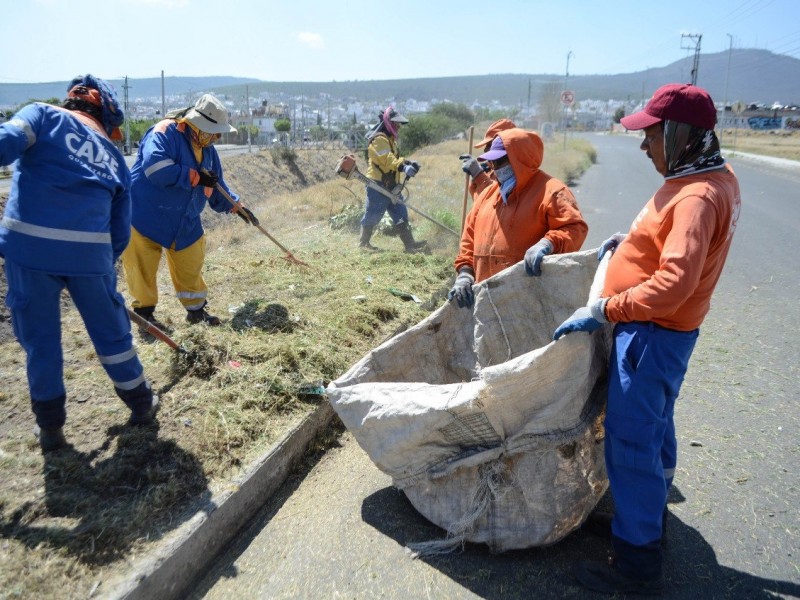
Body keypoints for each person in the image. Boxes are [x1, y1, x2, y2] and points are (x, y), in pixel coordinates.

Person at [553, 83, 741, 595]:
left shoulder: (698, 195)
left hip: (652, 334)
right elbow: (671, 244)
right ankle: (648, 518)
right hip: (664, 334)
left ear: (680, 135)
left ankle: (635, 563)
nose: (643, 146)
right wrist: (631, 242)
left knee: (631, 441)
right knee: (654, 427)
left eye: (651, 135)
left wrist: (605, 308)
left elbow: (675, 283)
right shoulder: (706, 175)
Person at [0, 74, 158, 452]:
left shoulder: (40, 114)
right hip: (90, 253)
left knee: (41, 341)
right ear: (105, 119)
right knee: (111, 331)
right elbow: (120, 231)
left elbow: (5, 143)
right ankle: (139, 402)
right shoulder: (114, 157)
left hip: (28, 248)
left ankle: (51, 428)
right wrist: (102, 267)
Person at [121, 93, 258, 328]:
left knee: (191, 263)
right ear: (196, 124)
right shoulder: (164, 133)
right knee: (141, 267)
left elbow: (216, 187)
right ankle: (145, 315)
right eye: (213, 131)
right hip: (145, 214)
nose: (216, 136)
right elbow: (155, 168)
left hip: (184, 219)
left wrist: (237, 206)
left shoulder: (209, 151)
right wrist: (193, 176)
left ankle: (196, 312)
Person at [448, 127, 588, 308]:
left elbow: (574, 228)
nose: (494, 168)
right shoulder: (487, 195)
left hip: (531, 300)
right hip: (486, 300)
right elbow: (468, 241)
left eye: (499, 162)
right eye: (492, 163)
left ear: (519, 159)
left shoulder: (551, 192)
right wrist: (465, 274)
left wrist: (547, 244)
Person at [358, 106, 427, 253]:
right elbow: (387, 160)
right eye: (396, 123)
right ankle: (363, 244)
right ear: (389, 123)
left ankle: (410, 245)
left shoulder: (390, 140)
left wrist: (407, 162)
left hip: (392, 185)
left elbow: (394, 158)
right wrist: (402, 167)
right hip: (378, 185)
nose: (399, 126)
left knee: (401, 214)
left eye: (399, 123)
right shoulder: (379, 140)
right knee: (372, 215)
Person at [458, 118, 517, 193]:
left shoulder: (509, 174)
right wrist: (476, 180)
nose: (485, 150)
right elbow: (479, 201)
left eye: (490, 144)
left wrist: (478, 175)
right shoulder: (493, 171)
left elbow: (495, 199)